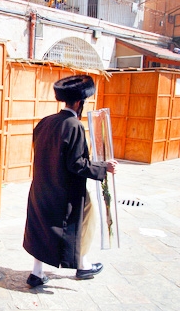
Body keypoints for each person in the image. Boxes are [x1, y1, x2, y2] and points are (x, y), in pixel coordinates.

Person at [23, 75, 118, 288]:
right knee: (86, 218)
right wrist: (104, 167)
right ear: (78, 102)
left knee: (41, 228)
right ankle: (83, 265)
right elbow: (77, 164)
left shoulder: (45, 121)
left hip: (41, 187)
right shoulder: (74, 125)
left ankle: (36, 273)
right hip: (63, 191)